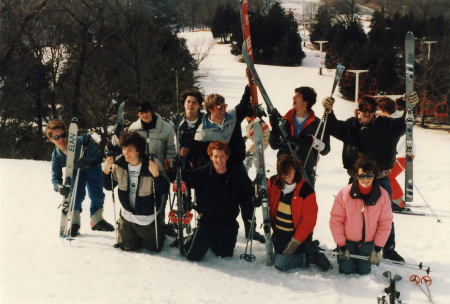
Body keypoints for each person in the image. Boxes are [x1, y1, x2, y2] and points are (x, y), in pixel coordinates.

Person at [322, 92, 418, 262]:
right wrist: (328, 110)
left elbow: (405, 124)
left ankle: (388, 249)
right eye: (363, 109)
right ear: (359, 110)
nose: (366, 113)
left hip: (380, 179)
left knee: (384, 216)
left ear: (375, 110)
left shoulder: (386, 124)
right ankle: (344, 245)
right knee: (351, 215)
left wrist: (411, 107)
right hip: (356, 180)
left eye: (370, 109)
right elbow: (332, 126)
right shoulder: (350, 126)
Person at [171, 141, 254, 262]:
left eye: (221, 156)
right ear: (210, 157)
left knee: (224, 254)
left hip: (228, 223)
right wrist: (175, 166)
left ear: (227, 156)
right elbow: (180, 177)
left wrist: (249, 221)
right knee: (193, 256)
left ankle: (209, 240)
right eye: (215, 156)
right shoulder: (202, 173)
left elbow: (247, 201)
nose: (218, 160)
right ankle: (189, 239)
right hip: (207, 222)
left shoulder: (239, 176)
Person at [46, 119, 114, 237]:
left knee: (97, 194)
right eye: (56, 137)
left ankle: (97, 221)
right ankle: (74, 223)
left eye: (63, 135)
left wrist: (88, 162)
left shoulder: (81, 142)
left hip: (92, 168)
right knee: (75, 195)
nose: (61, 139)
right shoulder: (57, 155)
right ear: (51, 139)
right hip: (74, 171)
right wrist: (59, 187)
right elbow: (55, 177)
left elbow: (98, 156)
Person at [103, 132, 168, 252]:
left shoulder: (152, 163)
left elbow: (164, 190)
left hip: (147, 218)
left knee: (154, 248)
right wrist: (106, 169)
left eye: (130, 149)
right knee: (127, 247)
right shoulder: (119, 164)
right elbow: (108, 186)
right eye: (124, 149)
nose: (125, 153)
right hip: (127, 217)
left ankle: (156, 229)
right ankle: (132, 235)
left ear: (138, 150)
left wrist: (156, 174)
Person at [330, 156, 393, 275]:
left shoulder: (382, 195)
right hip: (347, 241)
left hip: (367, 243)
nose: (365, 179)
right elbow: (336, 220)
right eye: (362, 176)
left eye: (369, 175)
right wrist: (341, 244)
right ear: (356, 176)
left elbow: (385, 223)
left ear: (374, 175)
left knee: (364, 271)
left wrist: (378, 247)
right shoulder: (344, 193)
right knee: (346, 271)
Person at [269, 86, 330, 189]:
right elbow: (274, 145)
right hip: (285, 171)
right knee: (283, 203)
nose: (293, 98)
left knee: (305, 203)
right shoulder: (284, 120)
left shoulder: (318, 124)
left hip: (306, 172)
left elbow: (326, 150)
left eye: (298, 96)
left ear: (306, 101)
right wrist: (275, 129)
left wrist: (313, 141)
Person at [267, 155, 319, 272]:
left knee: (279, 264)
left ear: (295, 169)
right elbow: (264, 195)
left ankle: (307, 257)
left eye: (288, 170)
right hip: (279, 233)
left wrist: (295, 242)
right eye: (283, 171)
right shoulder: (273, 183)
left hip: (295, 237)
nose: (286, 175)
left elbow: (308, 221)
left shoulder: (306, 191)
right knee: (274, 259)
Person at [190, 87, 254, 169]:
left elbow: (243, 104)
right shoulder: (202, 132)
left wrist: (249, 88)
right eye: (220, 107)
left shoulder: (232, 116)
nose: (223, 110)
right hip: (218, 170)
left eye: (225, 106)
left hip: (237, 165)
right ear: (210, 109)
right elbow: (199, 157)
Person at [377, 97, 416, 211]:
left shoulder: (393, 122)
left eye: (379, 110)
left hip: (402, 154)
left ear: (383, 110)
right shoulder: (397, 116)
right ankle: (395, 199)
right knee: (386, 175)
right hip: (404, 152)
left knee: (387, 175)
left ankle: (398, 203)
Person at [128, 100, 176, 164]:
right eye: (142, 113)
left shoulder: (167, 128)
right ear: (138, 114)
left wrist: (169, 167)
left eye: (146, 111)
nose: (145, 115)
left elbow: (172, 150)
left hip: (160, 169)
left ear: (151, 111)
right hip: (141, 169)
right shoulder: (133, 129)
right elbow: (129, 149)